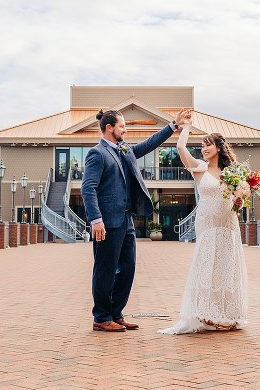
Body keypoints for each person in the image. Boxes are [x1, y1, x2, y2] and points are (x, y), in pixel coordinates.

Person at [82, 107, 191, 332]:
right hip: (106, 222)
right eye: (122, 126)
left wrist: (173, 125)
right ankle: (101, 317)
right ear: (109, 128)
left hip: (126, 220)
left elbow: (149, 144)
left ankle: (116, 312)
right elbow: (88, 188)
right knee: (105, 270)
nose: (125, 130)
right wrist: (96, 220)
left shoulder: (124, 149)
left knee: (128, 268)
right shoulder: (97, 153)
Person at [159, 116, 249, 334]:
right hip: (207, 222)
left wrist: (240, 201)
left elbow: (238, 201)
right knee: (207, 265)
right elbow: (180, 147)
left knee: (226, 267)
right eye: (202, 145)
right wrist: (186, 127)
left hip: (228, 223)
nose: (204, 148)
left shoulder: (232, 172)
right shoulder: (199, 167)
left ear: (219, 147)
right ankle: (204, 314)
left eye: (208, 144)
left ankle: (227, 315)